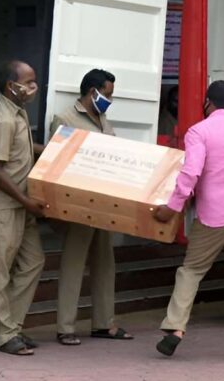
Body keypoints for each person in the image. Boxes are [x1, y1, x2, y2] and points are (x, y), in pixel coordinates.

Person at [152, 80, 224, 363]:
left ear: (207, 102)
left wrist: (173, 207)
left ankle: (175, 327)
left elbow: (191, 172)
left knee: (191, 271)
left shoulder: (199, 131)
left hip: (214, 216)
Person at [50, 69, 133, 346]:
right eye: (107, 94)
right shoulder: (65, 119)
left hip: (103, 206)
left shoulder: (103, 120)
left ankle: (103, 324)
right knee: (73, 265)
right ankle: (65, 327)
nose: (110, 100)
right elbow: (56, 163)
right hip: (78, 204)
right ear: (92, 92)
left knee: (105, 264)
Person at [0, 60, 48, 356]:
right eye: (28, 82)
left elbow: (22, 148)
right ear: (11, 86)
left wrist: (52, 150)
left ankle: (12, 325)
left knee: (33, 261)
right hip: (2, 205)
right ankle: (4, 335)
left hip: (19, 203)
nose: (33, 87)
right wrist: (27, 201)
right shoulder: (4, 119)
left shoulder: (16, 110)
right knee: (0, 272)